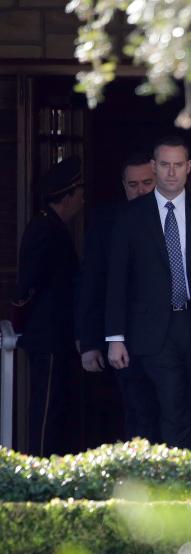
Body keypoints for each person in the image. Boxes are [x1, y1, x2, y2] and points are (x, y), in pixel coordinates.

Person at [105, 135, 191, 452]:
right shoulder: (131, 215)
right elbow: (118, 278)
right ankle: (179, 482)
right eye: (164, 165)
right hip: (154, 330)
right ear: (154, 166)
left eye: (178, 165)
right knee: (172, 403)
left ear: (188, 167)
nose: (171, 172)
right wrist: (115, 337)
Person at [75, 152, 159, 441]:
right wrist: (89, 342)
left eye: (147, 182)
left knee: (178, 413)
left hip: (174, 338)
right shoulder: (107, 222)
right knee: (137, 413)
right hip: (125, 338)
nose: (140, 191)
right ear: (123, 185)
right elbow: (92, 283)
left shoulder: (179, 215)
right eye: (133, 184)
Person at [14, 156, 83, 455]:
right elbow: (27, 285)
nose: (83, 200)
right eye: (79, 194)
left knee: (57, 408)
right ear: (67, 197)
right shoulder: (44, 228)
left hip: (57, 334)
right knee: (45, 409)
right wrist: (23, 322)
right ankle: (39, 467)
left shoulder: (54, 226)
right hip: (48, 334)